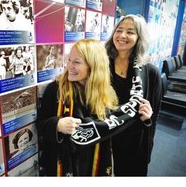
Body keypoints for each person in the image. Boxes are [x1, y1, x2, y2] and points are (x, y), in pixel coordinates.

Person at [36, 39, 153, 176]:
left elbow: (116, 132)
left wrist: (142, 118)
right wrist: (57, 125)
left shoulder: (107, 93)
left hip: (94, 164)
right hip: (63, 163)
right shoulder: (56, 89)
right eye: (69, 60)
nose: (69, 66)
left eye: (77, 62)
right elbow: (41, 124)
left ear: (93, 66)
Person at [104, 14, 162, 176]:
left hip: (134, 142)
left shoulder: (150, 73)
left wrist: (148, 118)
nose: (122, 36)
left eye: (130, 32)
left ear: (139, 37)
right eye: (119, 30)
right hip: (104, 135)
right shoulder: (101, 66)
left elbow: (154, 116)